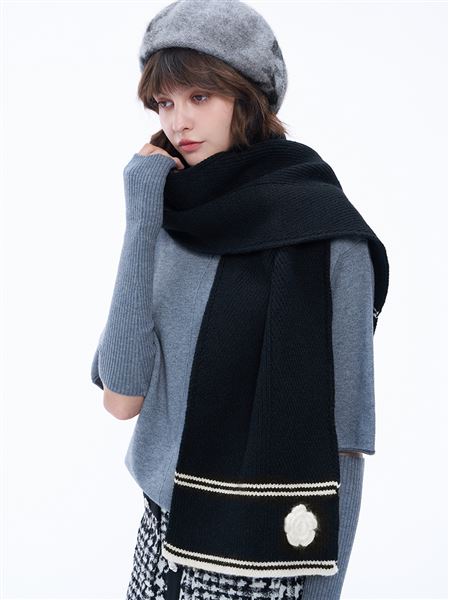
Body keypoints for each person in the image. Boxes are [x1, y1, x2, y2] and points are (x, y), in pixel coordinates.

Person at [90, 1, 389, 598]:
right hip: (161, 537)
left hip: (266, 557)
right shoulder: (174, 218)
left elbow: (346, 435)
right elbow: (122, 400)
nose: (179, 122)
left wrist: (323, 592)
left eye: (199, 96)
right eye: (164, 103)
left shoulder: (329, 234)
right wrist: (142, 217)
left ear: (247, 96)